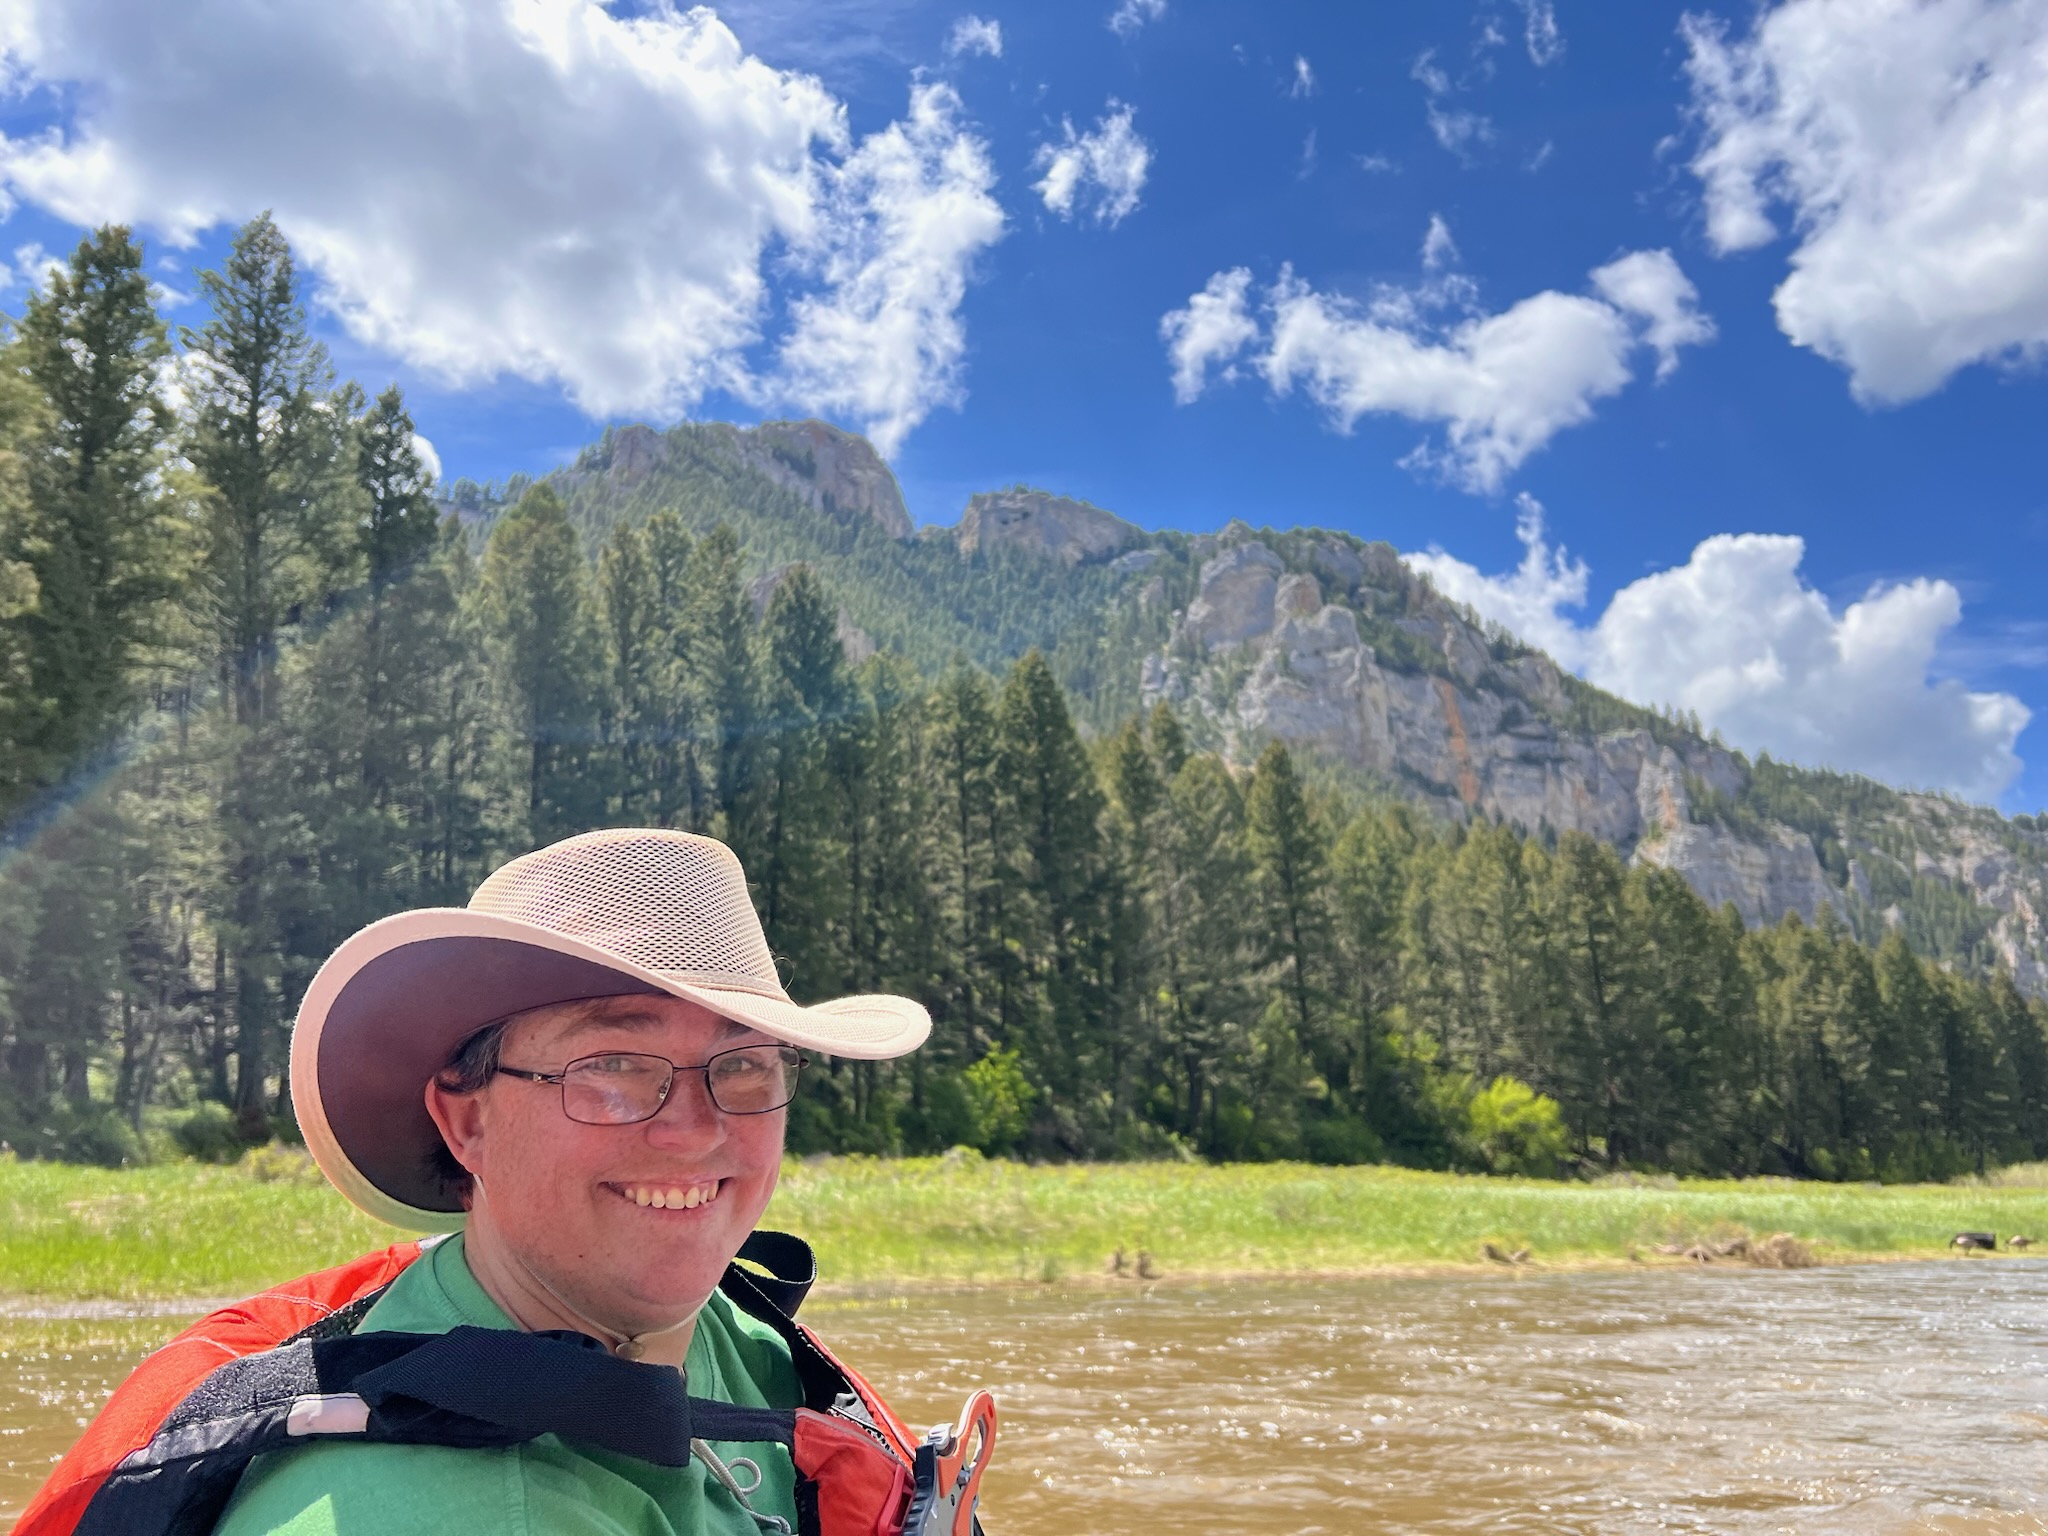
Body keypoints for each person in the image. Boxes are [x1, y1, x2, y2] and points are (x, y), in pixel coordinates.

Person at [202, 827, 935, 1535]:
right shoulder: (442, 1513)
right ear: (468, 1122)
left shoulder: (726, 1332)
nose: (694, 1130)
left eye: (744, 1064)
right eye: (612, 1065)